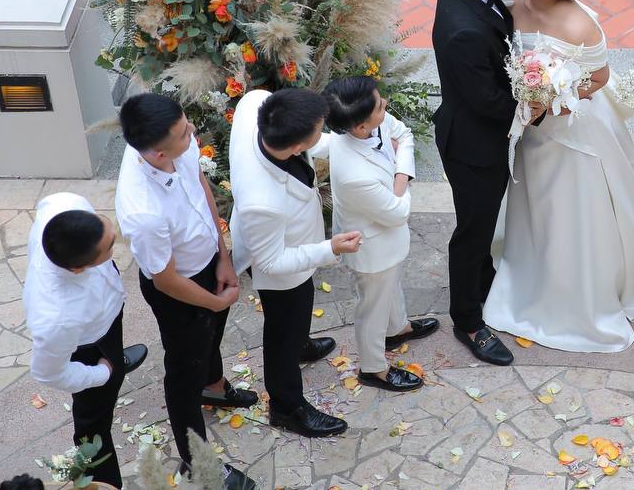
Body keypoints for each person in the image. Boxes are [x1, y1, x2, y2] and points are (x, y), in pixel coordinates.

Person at [483, 0, 634, 351]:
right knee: (535, 204)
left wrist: (553, 100)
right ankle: (531, 268)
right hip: (530, 128)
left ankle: (579, 291)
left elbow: (600, 78)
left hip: (570, 129)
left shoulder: (578, 24)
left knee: (570, 208)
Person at [113, 93, 255, 489]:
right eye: (183, 132)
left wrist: (223, 257)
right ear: (157, 154)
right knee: (183, 369)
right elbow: (166, 280)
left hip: (209, 261)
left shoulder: (179, 141)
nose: (192, 131)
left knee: (212, 337)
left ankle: (215, 387)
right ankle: (198, 464)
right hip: (178, 288)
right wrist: (213, 301)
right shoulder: (141, 210)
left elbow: (200, 185)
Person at [432, 0, 535, 366]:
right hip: (472, 146)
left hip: (476, 130)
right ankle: (468, 321)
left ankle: (486, 282)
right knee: (471, 234)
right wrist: (542, 99)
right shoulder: (464, 31)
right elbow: (492, 103)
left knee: (482, 225)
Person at [228, 88, 361, 437]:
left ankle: (302, 344)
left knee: (302, 309)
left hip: (295, 237)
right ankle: (287, 407)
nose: (323, 130)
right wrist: (328, 248)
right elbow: (271, 262)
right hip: (281, 262)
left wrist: (347, 140)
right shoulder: (262, 199)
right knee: (283, 328)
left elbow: (315, 143)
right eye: (319, 128)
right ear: (296, 146)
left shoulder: (257, 104)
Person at [24, 193, 148, 488]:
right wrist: (100, 373)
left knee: (113, 356)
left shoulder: (65, 203)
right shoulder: (56, 318)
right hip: (88, 345)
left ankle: (116, 360)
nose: (115, 239)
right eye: (109, 247)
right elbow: (48, 372)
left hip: (105, 318)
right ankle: (102, 484)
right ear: (78, 268)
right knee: (93, 425)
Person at [323, 76, 438, 390]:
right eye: (379, 104)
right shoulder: (353, 175)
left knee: (391, 288)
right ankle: (373, 368)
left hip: (387, 238)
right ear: (360, 127)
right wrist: (403, 175)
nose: (385, 104)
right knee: (372, 306)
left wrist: (399, 176)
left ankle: (397, 329)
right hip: (372, 245)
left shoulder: (374, 120)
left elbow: (405, 134)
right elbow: (398, 212)